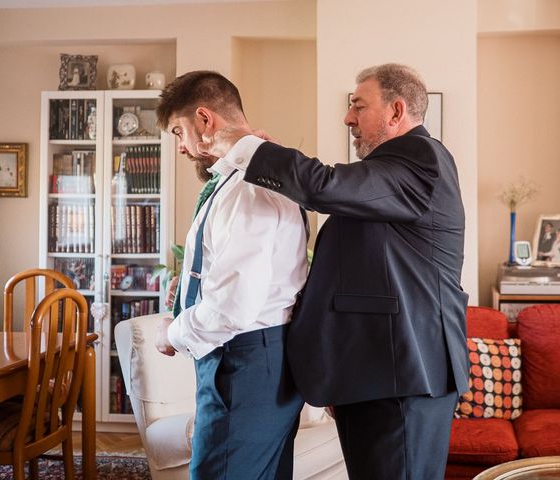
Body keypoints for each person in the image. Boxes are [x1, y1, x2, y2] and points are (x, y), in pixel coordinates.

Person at [197, 63, 470, 480]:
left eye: (358, 106)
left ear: (396, 112)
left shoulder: (421, 157)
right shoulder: (386, 176)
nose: (348, 118)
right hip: (375, 373)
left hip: (404, 374)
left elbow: (323, 186)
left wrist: (244, 144)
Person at [153, 71, 308, 480]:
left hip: (245, 362)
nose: (182, 148)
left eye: (178, 132)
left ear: (205, 120)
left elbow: (235, 307)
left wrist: (172, 333)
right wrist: (190, 283)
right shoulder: (249, 176)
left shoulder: (248, 185)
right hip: (261, 357)